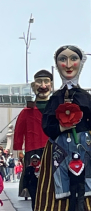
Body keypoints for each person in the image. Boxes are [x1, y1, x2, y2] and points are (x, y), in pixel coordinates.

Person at [35, 45, 91, 211]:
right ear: (57, 63)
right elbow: (46, 123)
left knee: (87, 184)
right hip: (59, 148)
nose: (68, 64)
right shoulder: (55, 97)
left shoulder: (86, 97)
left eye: (73, 59)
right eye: (63, 59)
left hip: (85, 146)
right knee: (60, 184)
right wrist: (60, 128)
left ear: (80, 63)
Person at [14, 69, 52, 197]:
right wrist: (18, 149)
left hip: (53, 146)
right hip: (33, 148)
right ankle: (28, 189)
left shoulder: (57, 108)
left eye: (46, 82)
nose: (43, 86)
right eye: (39, 82)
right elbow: (19, 131)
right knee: (32, 175)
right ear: (33, 86)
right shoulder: (27, 111)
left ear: (51, 85)